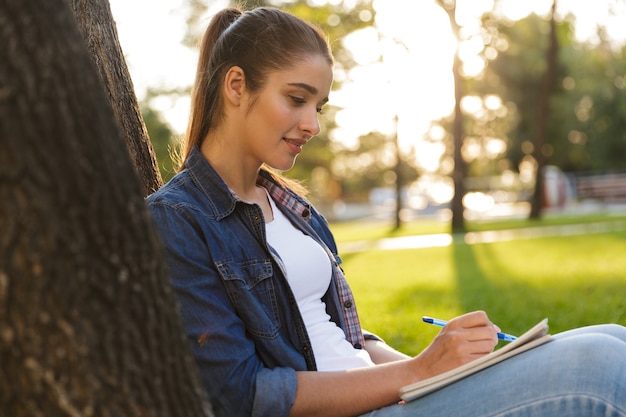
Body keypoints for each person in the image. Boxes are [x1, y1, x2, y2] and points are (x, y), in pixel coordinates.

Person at [146, 6, 626, 417]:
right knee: (597, 368)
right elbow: (242, 393)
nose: (312, 124)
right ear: (235, 86)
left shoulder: (293, 209)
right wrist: (417, 373)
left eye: (320, 106)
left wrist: (441, 367)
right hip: (364, 408)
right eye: (296, 99)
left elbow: (344, 337)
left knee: (614, 340)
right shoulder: (177, 220)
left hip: (390, 395)